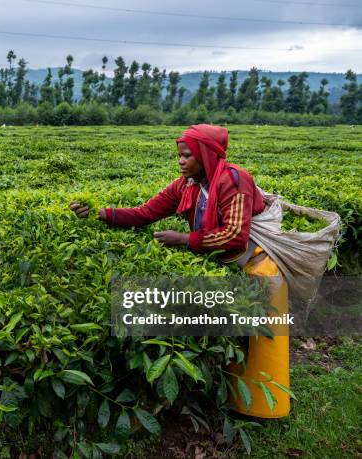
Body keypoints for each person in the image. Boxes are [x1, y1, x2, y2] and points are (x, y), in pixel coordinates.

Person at [70, 124, 290, 418]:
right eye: (179, 155)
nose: (181, 161)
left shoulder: (234, 180)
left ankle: (264, 409)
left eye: (187, 155)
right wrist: (98, 213)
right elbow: (144, 214)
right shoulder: (186, 186)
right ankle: (230, 397)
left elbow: (235, 234)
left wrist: (185, 239)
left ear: (206, 155)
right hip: (225, 262)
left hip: (258, 264)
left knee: (263, 347)